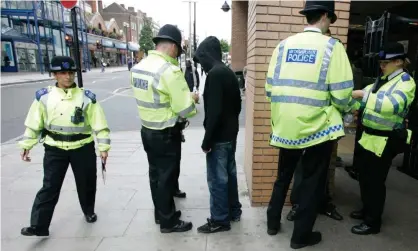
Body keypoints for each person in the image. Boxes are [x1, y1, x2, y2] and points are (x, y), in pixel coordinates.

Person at [265, 1, 359, 248]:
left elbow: (269, 89)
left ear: (307, 16)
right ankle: (300, 237)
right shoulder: (332, 47)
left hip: (286, 127)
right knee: (311, 183)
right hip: (318, 129)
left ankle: (272, 223)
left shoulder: (283, 46)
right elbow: (341, 95)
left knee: (283, 176)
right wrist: (348, 107)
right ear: (326, 16)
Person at [18, 56, 111, 237]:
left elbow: (100, 125)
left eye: (70, 73)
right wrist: (26, 144)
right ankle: (39, 226)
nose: (68, 77)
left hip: (82, 147)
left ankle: (88, 211)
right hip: (54, 149)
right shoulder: (44, 97)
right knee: (49, 187)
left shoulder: (87, 98)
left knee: (86, 183)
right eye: (62, 73)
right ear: (54, 75)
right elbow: (34, 123)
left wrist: (104, 148)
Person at [131, 24, 199, 233]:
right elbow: (185, 109)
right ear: (172, 47)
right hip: (166, 133)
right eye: (178, 49)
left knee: (155, 175)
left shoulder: (139, 66)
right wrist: (193, 99)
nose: (178, 53)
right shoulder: (169, 71)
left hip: (147, 130)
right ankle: (169, 222)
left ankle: (161, 213)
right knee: (167, 176)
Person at [350, 42, 416, 235]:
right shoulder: (383, 79)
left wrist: (362, 95)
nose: (381, 65)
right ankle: (366, 210)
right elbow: (369, 99)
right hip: (368, 136)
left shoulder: (405, 82)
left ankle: (372, 223)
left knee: (375, 182)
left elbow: (390, 105)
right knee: (363, 177)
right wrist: (355, 105)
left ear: (398, 62)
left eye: (385, 62)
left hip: (384, 139)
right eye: (380, 62)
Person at [193, 36, 242, 234]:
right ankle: (233, 211)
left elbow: (213, 114)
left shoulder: (214, 75)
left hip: (219, 138)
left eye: (200, 59)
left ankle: (220, 219)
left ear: (207, 55)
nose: (201, 65)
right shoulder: (229, 73)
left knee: (217, 180)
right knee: (230, 176)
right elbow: (237, 106)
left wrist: (207, 141)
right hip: (231, 135)